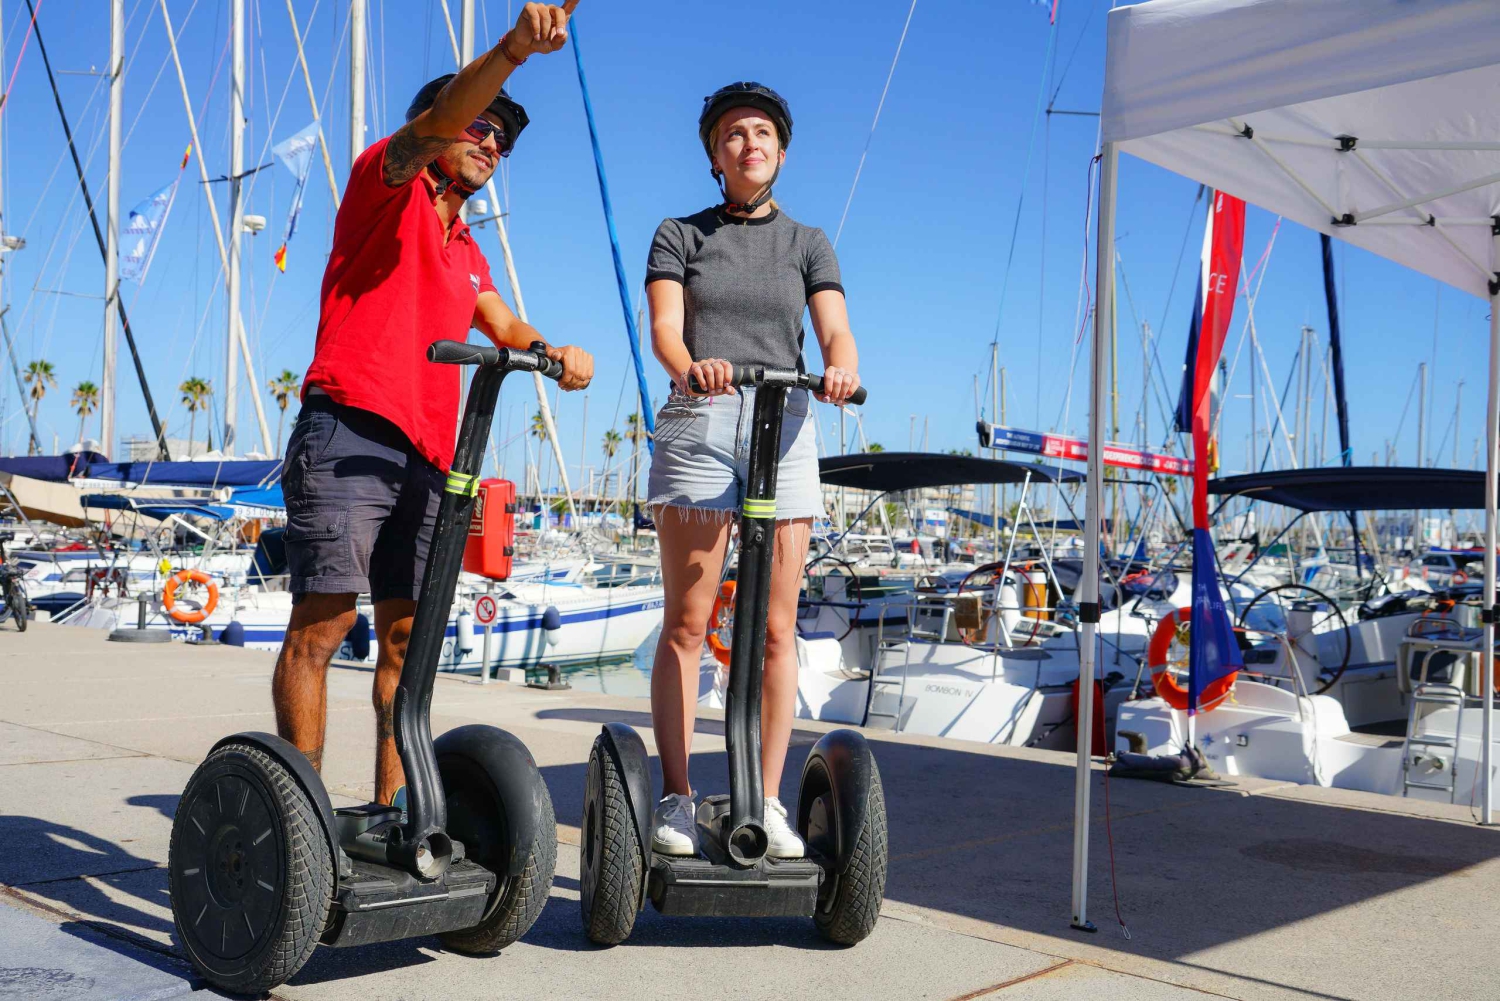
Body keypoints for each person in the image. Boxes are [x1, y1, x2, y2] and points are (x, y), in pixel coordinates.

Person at [271, 1, 593, 809]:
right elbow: (442, 119)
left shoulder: (468, 248)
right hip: (349, 429)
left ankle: (392, 817)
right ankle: (301, 816)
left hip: (426, 454)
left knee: (408, 642)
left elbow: (507, 325)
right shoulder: (388, 183)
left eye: (503, 139)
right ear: (437, 125)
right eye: (480, 126)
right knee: (323, 624)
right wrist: (515, 49)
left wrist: (557, 356)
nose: (492, 142)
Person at [643, 82, 860, 858]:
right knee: (689, 622)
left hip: (788, 420)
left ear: (782, 149)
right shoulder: (680, 233)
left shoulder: (809, 242)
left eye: (763, 131)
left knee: (774, 628)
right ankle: (675, 794)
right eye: (733, 133)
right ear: (714, 155)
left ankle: (766, 799)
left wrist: (840, 370)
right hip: (703, 418)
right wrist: (690, 366)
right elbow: (667, 327)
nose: (749, 142)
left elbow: (836, 332)